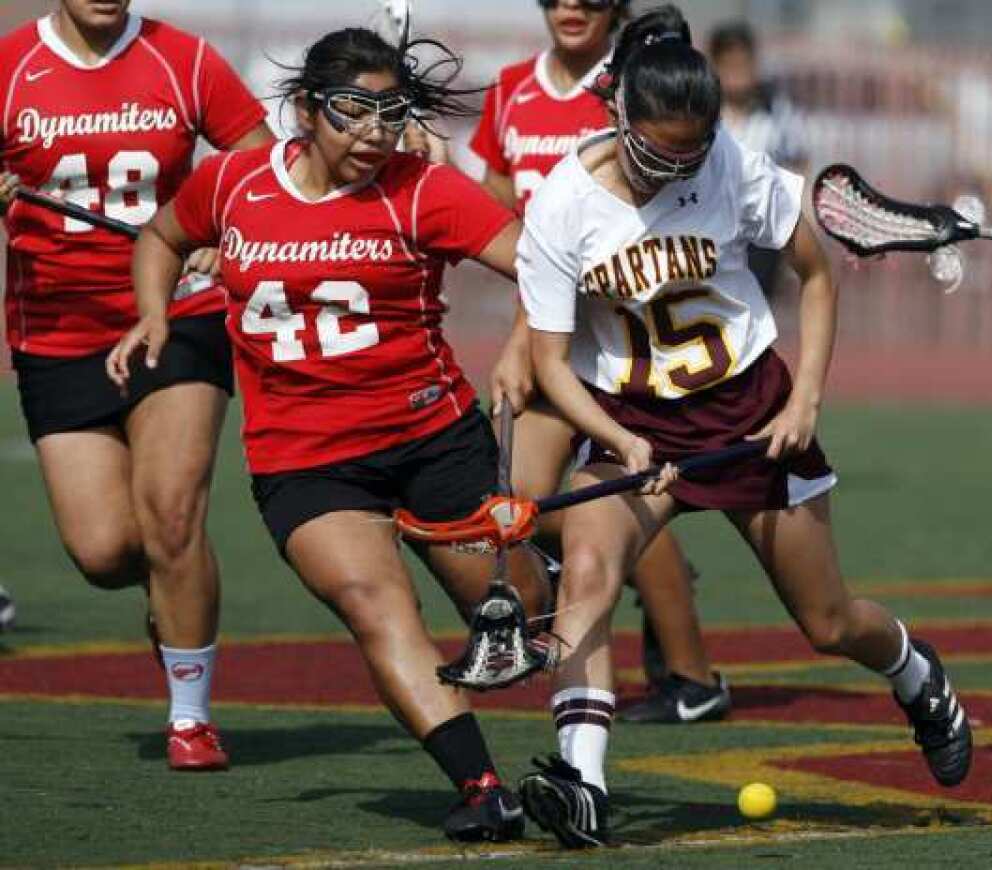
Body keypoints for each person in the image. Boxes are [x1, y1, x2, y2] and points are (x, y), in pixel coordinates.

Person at [512, 6, 973, 847]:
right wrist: (617, 439)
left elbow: (816, 275)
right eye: (658, 153)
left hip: (749, 411)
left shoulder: (725, 162)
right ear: (618, 117)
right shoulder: (561, 204)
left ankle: (915, 671)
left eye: (691, 151)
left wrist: (806, 403)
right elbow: (548, 364)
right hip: (628, 415)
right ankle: (582, 781)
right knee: (585, 578)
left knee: (827, 622)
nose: (678, 169)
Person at [108, 26, 549, 843]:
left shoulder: (425, 189)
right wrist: (155, 316)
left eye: (391, 115)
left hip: (433, 437)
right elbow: (162, 236)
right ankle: (483, 787)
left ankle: (544, 596)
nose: (374, 135)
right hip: (306, 460)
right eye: (353, 113)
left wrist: (524, 346)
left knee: (524, 617)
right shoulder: (236, 182)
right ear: (306, 111)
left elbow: (541, 264)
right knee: (373, 602)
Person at [0, 0, 273, 770]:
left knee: (170, 516)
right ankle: (170, 607)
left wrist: (224, 237)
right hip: (57, 335)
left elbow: (258, 161)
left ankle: (191, 719)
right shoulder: (10, 67)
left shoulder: (182, 59)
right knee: (105, 552)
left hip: (175, 317)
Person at [472, 0, 731, 725]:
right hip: (556, 335)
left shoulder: (637, 90)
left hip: (627, 345)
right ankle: (635, 575)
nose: (571, 9)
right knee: (519, 503)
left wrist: (521, 337)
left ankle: (690, 675)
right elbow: (501, 208)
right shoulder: (508, 91)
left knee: (600, 504)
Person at [707, 21, 809, 299]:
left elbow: (798, 165)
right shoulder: (702, 113)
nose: (738, 73)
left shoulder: (778, 111)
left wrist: (796, 226)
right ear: (715, 65)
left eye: (744, 64)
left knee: (757, 309)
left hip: (762, 234)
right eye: (729, 65)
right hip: (711, 228)